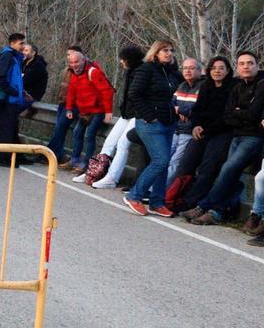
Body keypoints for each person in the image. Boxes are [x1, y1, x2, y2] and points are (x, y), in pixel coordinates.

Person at [180, 51, 264, 226]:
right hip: (237, 135)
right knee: (232, 175)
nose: (246, 66)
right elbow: (228, 115)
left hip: (254, 137)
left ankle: (203, 206)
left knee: (228, 169)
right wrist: (239, 114)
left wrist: (239, 113)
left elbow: (253, 115)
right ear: (237, 67)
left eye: (250, 63)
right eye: (242, 63)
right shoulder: (238, 87)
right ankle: (217, 212)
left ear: (257, 66)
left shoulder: (263, 85)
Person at [167, 56, 235, 213]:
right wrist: (196, 125)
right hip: (201, 131)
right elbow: (197, 110)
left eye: (221, 68)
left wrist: (205, 129)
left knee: (207, 168)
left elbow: (228, 116)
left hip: (221, 133)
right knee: (186, 163)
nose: (217, 71)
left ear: (228, 70)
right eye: (214, 68)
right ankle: (173, 197)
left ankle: (191, 203)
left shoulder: (233, 87)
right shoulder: (206, 86)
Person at [122, 41, 180, 217]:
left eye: (171, 50)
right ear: (155, 52)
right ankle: (135, 195)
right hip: (150, 123)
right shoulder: (146, 69)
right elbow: (134, 94)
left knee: (163, 164)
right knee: (160, 160)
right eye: (165, 50)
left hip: (168, 123)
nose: (169, 53)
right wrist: (149, 116)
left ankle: (157, 202)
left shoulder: (171, 73)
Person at [75, 44, 143, 187]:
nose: (121, 62)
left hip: (137, 114)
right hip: (126, 113)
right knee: (109, 142)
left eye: (123, 59)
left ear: (129, 59)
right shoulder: (129, 72)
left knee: (123, 144)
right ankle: (93, 172)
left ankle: (112, 178)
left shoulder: (141, 72)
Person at [63, 49, 115, 174]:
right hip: (84, 111)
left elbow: (107, 91)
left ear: (83, 60)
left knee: (89, 135)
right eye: (71, 63)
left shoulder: (94, 72)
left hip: (97, 110)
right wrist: (69, 108)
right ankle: (75, 160)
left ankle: (87, 163)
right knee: (76, 133)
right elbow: (71, 92)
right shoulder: (74, 74)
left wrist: (108, 111)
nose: (74, 65)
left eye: (77, 62)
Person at [0, 33, 30, 164]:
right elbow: (0, 77)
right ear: (12, 43)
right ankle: (4, 158)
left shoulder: (14, 57)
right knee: (7, 129)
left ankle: (18, 156)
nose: (23, 46)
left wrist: (20, 92)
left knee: (12, 128)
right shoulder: (7, 56)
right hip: (7, 99)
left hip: (13, 98)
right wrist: (12, 91)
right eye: (21, 43)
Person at [45, 46, 85, 163]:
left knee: (60, 129)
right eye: (68, 55)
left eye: (71, 54)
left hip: (73, 105)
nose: (69, 57)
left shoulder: (81, 70)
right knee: (59, 130)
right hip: (63, 103)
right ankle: (57, 154)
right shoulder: (67, 70)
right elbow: (63, 88)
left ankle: (48, 153)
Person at [167, 57, 203, 184]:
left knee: (175, 162)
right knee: (163, 159)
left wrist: (181, 109)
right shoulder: (181, 86)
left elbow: (199, 109)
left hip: (189, 132)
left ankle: (160, 192)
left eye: (192, 68)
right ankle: (151, 188)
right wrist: (177, 108)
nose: (188, 71)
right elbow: (170, 104)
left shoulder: (204, 87)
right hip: (176, 129)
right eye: (185, 68)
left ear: (200, 71)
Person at [21, 41, 48, 116]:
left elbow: (26, 81)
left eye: (26, 50)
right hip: (23, 92)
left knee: (11, 110)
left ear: (33, 53)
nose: (23, 52)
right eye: (23, 50)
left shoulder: (38, 65)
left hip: (32, 94)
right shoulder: (24, 63)